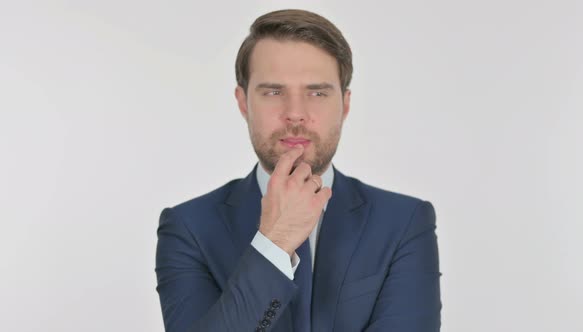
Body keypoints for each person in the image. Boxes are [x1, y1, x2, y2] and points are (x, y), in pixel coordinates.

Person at [155, 9, 441, 332]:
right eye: (274, 92)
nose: (295, 114)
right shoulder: (188, 229)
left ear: (345, 104)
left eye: (317, 92)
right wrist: (275, 243)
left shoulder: (404, 223)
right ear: (243, 103)